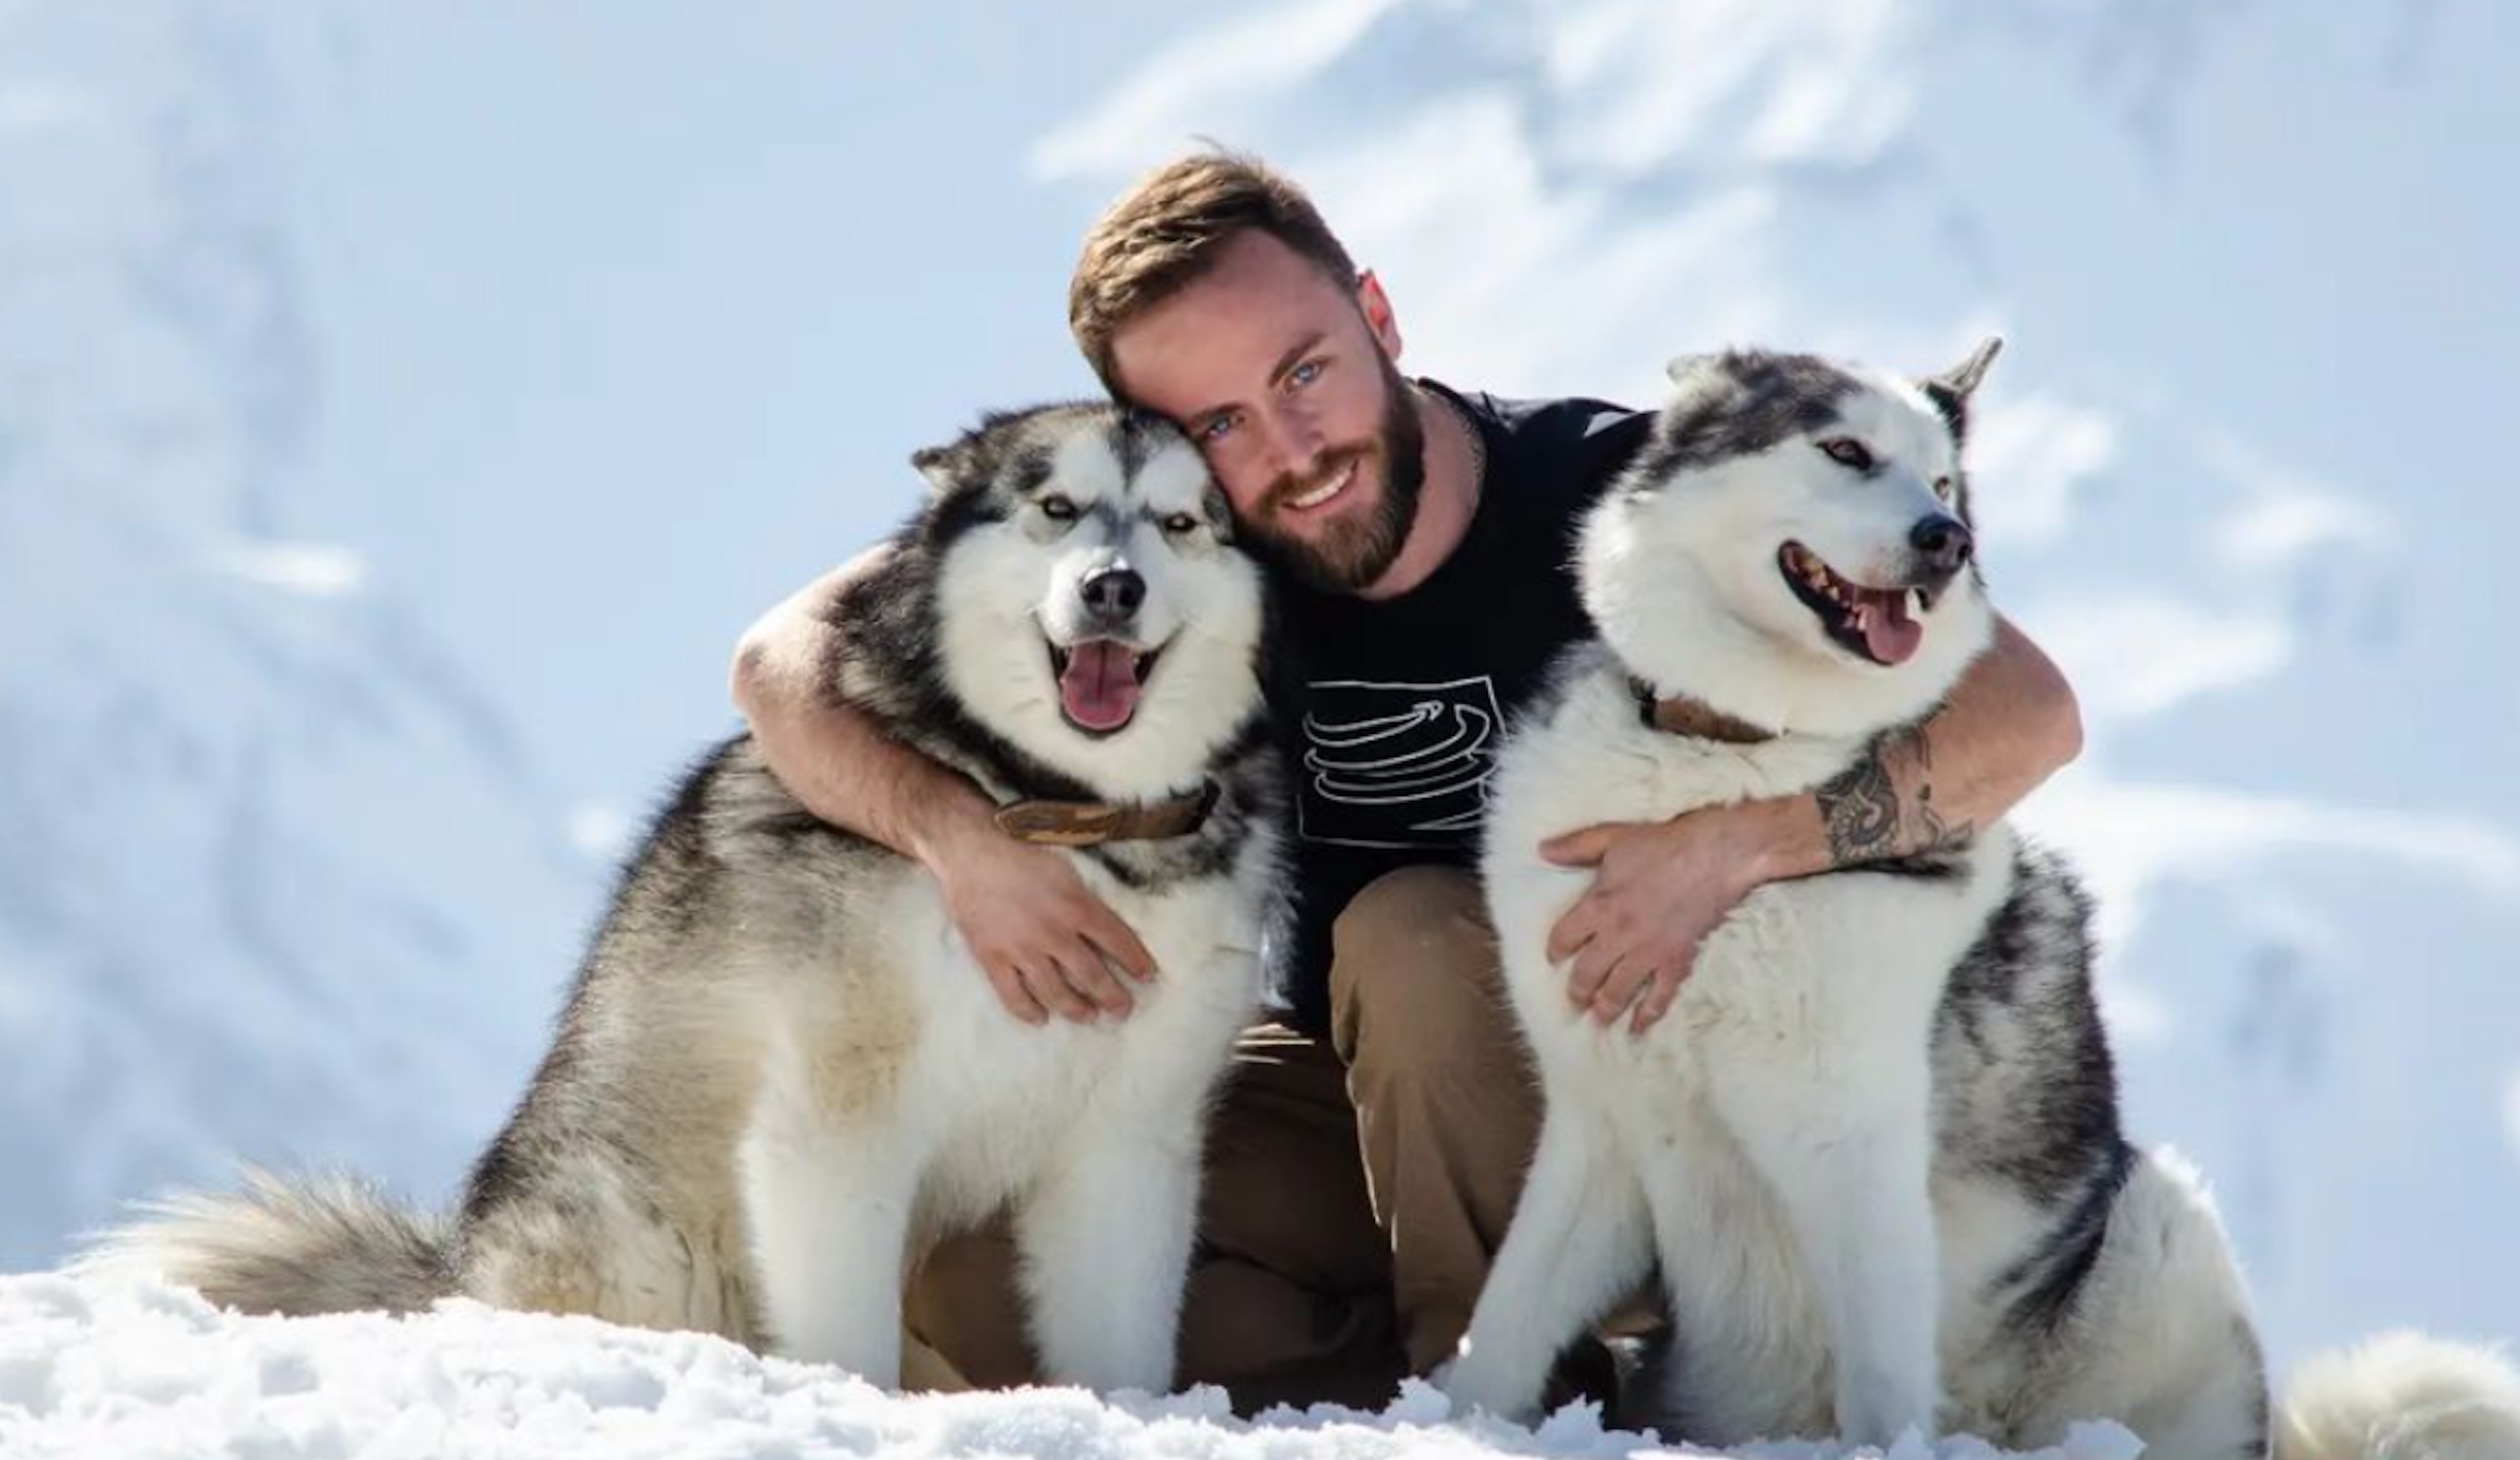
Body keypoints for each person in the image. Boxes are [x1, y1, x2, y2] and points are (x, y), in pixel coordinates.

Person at [729, 151, 2083, 1413]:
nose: (1292, 447)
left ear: (1377, 312)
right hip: (1362, 1102)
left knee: (1414, 936)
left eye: (1305, 371)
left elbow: (2027, 715)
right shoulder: (1203, 555)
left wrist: (1740, 845)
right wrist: (964, 846)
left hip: (1669, 1095)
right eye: (1221, 423)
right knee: (972, 1278)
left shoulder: (1616, 490)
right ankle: (1474, 1403)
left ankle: (1510, 1412)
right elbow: (781, 658)